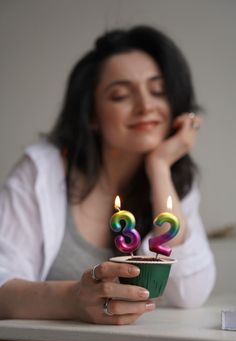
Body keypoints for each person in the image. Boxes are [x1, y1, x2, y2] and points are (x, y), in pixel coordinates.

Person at [0, 25, 215, 325]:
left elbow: (190, 292)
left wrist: (159, 166)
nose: (146, 106)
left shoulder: (172, 180)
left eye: (158, 91)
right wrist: (75, 299)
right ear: (91, 115)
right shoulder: (42, 172)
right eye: (120, 95)